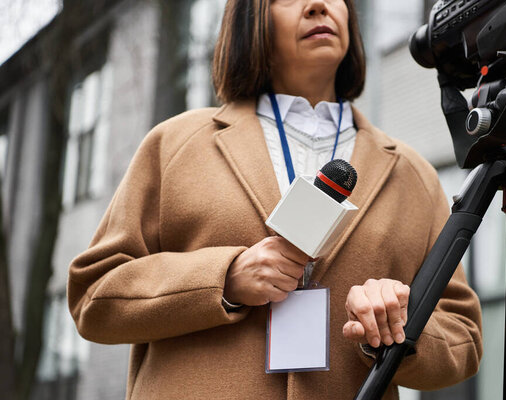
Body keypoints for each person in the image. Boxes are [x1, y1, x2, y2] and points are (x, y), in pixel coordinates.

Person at [68, 0, 483, 399]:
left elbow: (462, 336)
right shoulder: (175, 144)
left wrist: (395, 326)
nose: (318, 5)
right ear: (250, 19)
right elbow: (94, 296)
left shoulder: (413, 173)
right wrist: (223, 278)